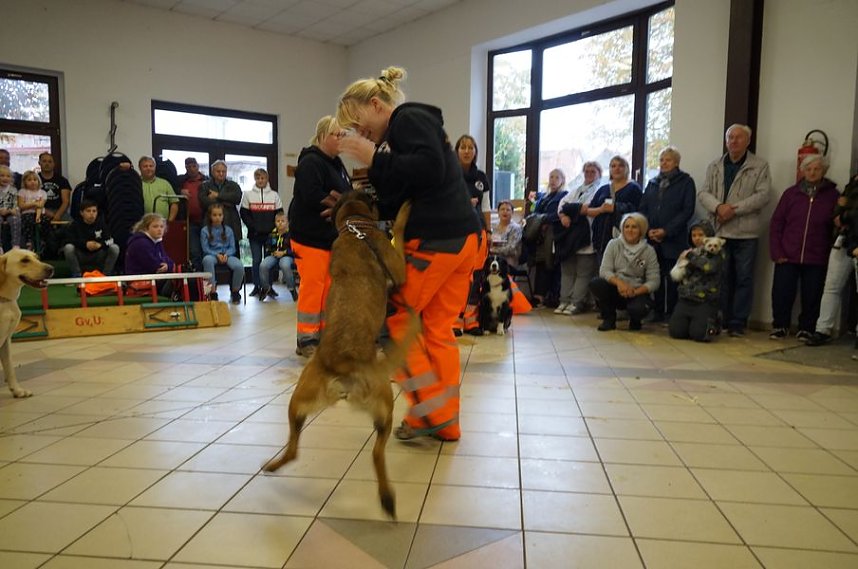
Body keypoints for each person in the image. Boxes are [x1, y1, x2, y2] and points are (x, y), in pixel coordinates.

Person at [336, 66, 480, 441]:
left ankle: (431, 412)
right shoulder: (404, 134)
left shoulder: (406, 118)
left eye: (358, 122)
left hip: (437, 239)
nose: (359, 133)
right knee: (435, 330)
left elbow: (429, 168)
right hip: (461, 238)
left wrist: (374, 156)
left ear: (375, 104)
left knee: (396, 319)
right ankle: (445, 421)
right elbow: (409, 185)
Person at [287, 116, 353, 357]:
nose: (342, 139)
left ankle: (323, 336)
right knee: (313, 286)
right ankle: (306, 339)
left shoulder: (336, 164)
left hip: (329, 237)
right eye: (338, 135)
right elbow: (312, 194)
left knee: (328, 287)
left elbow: (347, 193)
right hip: (309, 236)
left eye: (344, 135)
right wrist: (337, 203)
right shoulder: (311, 162)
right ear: (324, 135)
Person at [698, 124, 771, 337]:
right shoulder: (715, 166)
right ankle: (720, 317)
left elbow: (763, 195)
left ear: (748, 141)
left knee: (744, 278)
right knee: (720, 276)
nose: (733, 141)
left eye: (738, 137)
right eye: (730, 137)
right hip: (719, 232)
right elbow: (703, 192)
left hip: (745, 233)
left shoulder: (760, 165)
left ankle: (738, 322)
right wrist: (718, 207)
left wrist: (734, 209)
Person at [768, 154, 839, 340]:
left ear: (823, 171)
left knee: (812, 294)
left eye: (817, 169)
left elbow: (836, 226)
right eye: (808, 169)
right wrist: (777, 251)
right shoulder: (790, 194)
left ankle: (806, 328)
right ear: (803, 171)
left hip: (817, 255)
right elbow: (776, 223)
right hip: (787, 253)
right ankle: (780, 326)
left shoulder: (833, 195)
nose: (812, 172)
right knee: (782, 292)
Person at [639, 146, 697, 322]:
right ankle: (656, 312)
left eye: (668, 160)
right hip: (653, 239)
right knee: (654, 275)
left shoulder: (686, 182)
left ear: (677, 163)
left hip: (674, 239)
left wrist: (666, 231)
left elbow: (687, 211)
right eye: (662, 160)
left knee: (673, 279)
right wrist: (648, 229)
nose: (664, 163)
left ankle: (672, 314)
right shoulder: (652, 183)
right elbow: (643, 208)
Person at [806, 172, 858, 346]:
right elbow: (839, 206)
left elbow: (848, 209)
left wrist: (845, 213)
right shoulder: (854, 180)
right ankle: (823, 329)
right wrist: (841, 213)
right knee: (831, 287)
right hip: (843, 239)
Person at [589, 212, 659, 331]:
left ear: (641, 230)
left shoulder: (649, 250)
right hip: (616, 289)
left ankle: (635, 320)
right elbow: (605, 271)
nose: (630, 230)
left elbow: (654, 281)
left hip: (637, 291)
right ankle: (609, 319)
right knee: (596, 283)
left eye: (634, 227)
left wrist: (635, 292)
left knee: (638, 308)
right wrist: (620, 283)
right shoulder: (613, 244)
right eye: (627, 227)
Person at [454, 134, 491, 336]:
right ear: (457, 151)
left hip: (478, 233)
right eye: (463, 147)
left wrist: (489, 230)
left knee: (475, 277)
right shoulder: (449, 173)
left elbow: (486, 206)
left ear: (475, 152)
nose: (467, 151)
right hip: (455, 233)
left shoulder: (481, 177)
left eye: (471, 147)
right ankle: (455, 320)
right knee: (457, 278)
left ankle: (471, 320)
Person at [555, 161, 602, 315]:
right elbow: (563, 205)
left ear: (599, 174)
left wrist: (573, 209)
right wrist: (564, 215)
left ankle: (576, 302)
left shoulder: (601, 190)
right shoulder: (576, 190)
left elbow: (588, 208)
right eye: (586, 171)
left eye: (592, 171)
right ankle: (564, 300)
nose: (589, 174)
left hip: (587, 236)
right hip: (570, 237)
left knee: (583, 273)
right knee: (567, 271)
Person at [668, 221, 724, 342]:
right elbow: (678, 275)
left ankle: (714, 320)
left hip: (705, 300)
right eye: (694, 235)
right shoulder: (690, 252)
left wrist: (691, 258)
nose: (697, 238)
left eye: (701, 235)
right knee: (676, 332)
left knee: (700, 335)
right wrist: (681, 262)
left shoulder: (716, 254)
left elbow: (708, 267)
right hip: (686, 297)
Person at [588, 155, 642, 262]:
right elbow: (590, 211)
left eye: (620, 165)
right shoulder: (603, 189)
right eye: (613, 166)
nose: (617, 168)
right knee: (603, 275)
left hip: (625, 240)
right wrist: (601, 209)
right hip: (602, 240)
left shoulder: (634, 188)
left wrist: (616, 208)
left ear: (626, 168)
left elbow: (640, 213)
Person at [240, 167, 283, 298]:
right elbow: (244, 214)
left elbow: (279, 214)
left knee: (269, 261)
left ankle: (269, 287)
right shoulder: (247, 194)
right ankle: (257, 287)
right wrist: (253, 227)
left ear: (267, 179)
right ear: (255, 179)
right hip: (254, 235)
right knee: (256, 260)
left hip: (271, 235)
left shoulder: (274, 195)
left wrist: (274, 229)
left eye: (263, 178)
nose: (260, 180)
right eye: (258, 178)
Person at [527, 168, 568, 307]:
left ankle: (552, 296)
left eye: (557, 177)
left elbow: (559, 214)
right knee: (541, 264)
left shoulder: (564, 195)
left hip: (554, 235)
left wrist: (544, 220)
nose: (553, 180)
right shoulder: (544, 196)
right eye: (551, 177)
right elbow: (536, 211)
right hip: (540, 236)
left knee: (550, 265)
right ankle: (539, 296)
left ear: (562, 180)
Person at [61, 199, 120, 277]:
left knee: (115, 248)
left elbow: (111, 240)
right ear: (82, 213)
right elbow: (67, 240)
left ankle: (106, 275)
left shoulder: (102, 224)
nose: (92, 214)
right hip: (82, 256)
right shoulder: (74, 225)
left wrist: (100, 245)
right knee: (68, 248)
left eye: (94, 211)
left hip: (98, 255)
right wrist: (85, 244)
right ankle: (77, 275)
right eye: (88, 211)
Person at [201, 203, 244, 304]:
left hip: (227, 255)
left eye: (220, 215)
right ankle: (212, 292)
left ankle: (235, 291)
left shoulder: (228, 230)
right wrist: (217, 255)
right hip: (212, 255)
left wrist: (226, 255)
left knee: (238, 266)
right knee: (207, 261)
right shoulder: (204, 230)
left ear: (223, 216)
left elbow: (233, 247)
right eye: (214, 215)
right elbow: (205, 248)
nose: (217, 218)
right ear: (210, 216)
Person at [124, 213, 175, 296]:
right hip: (139, 281)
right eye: (155, 226)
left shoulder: (157, 241)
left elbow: (170, 262)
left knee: (178, 279)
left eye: (161, 227)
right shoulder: (140, 243)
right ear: (146, 228)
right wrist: (167, 266)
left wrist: (167, 266)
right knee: (175, 280)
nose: (159, 229)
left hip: (153, 278)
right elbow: (155, 266)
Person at [199, 160, 243, 254]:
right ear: (212, 172)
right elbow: (205, 202)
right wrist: (227, 202)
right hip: (211, 225)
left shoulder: (233, 185)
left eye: (224, 171)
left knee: (234, 254)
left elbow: (237, 198)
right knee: (210, 255)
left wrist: (217, 196)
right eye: (218, 171)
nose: (221, 174)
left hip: (231, 223)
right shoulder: (205, 186)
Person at [258, 211, 297, 301]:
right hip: (274, 255)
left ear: (287, 222)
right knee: (263, 265)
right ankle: (266, 287)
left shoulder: (291, 234)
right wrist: (272, 252)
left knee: (285, 265)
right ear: (275, 223)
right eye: (278, 221)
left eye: (282, 221)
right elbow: (268, 246)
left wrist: (283, 253)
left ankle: (292, 289)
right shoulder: (272, 234)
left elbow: (294, 249)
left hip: (287, 255)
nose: (280, 223)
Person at [176, 157, 208, 268]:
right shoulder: (181, 181)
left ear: (198, 166)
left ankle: (207, 280)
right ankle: (197, 281)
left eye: (193, 166)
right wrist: (179, 191)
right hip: (190, 222)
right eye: (188, 166)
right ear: (185, 168)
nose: (191, 169)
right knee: (194, 251)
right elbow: (171, 188)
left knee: (207, 250)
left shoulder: (207, 180)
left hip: (206, 221)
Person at [17, 170, 49, 252]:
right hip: (26, 214)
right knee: (28, 221)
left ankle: (42, 241)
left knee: (45, 221)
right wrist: (35, 203)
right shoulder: (22, 192)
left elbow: (40, 205)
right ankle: (29, 242)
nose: (32, 182)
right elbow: (21, 206)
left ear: (38, 181)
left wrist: (37, 216)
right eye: (29, 180)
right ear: (24, 182)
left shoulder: (42, 193)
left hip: (39, 214)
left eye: (35, 180)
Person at [138, 156, 178, 221]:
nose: (148, 168)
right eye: (145, 166)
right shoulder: (136, 184)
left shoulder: (165, 183)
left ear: (155, 167)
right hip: (142, 225)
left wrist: (170, 221)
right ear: (140, 168)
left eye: (151, 166)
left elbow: (174, 203)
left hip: (162, 225)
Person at [37, 152, 71, 221]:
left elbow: (66, 202)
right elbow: (31, 199)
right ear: (39, 163)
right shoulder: (34, 179)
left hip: (59, 211)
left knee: (71, 225)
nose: (47, 164)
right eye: (44, 161)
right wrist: (46, 212)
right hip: (40, 211)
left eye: (50, 162)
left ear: (53, 164)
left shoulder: (62, 180)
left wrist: (57, 215)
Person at [491, 200, 523, 268]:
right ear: (498, 212)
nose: (505, 211)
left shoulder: (516, 228)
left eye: (508, 210)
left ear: (512, 213)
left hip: (508, 261)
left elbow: (511, 249)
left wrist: (493, 250)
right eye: (502, 209)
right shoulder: (492, 226)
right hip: (492, 258)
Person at [0, 165, 21, 250]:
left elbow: (16, 204)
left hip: (11, 212)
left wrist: (9, 211)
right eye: (2, 176)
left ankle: (15, 245)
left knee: (15, 220)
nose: (5, 178)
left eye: (8, 176)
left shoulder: (14, 190)